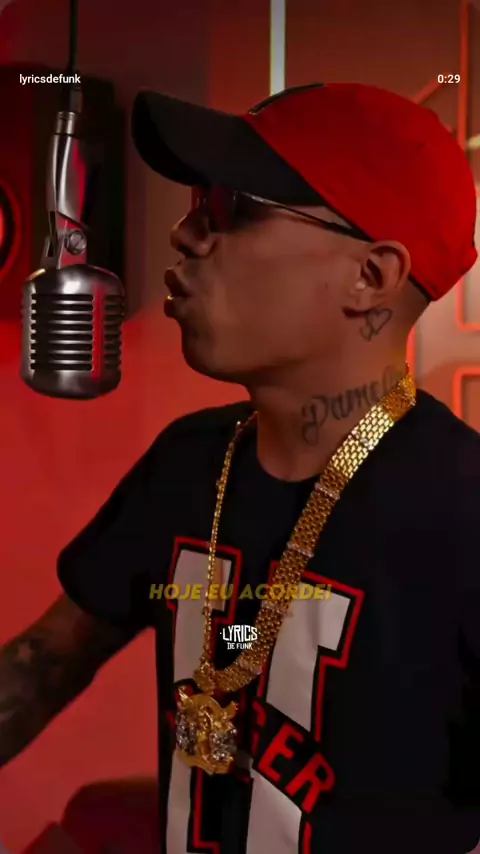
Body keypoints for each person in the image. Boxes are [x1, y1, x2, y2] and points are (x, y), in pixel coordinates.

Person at [1, 81, 479, 854]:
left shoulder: (461, 510)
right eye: (197, 201)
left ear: (371, 276)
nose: (186, 233)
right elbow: (42, 666)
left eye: (232, 208)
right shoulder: (189, 464)